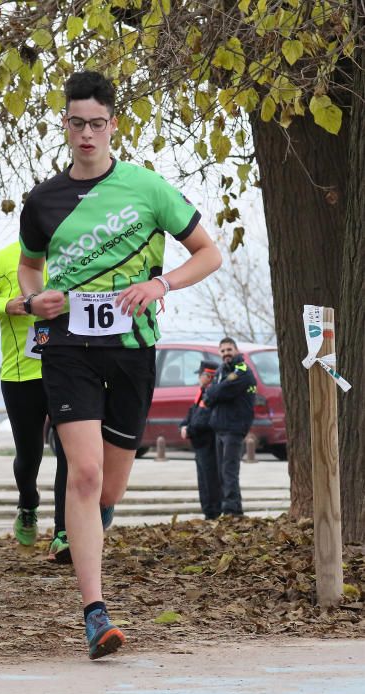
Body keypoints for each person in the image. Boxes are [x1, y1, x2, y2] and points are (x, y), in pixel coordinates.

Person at [17, 70, 222, 660]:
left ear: (113, 125)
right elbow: (32, 267)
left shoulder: (147, 188)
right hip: (67, 347)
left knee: (109, 485)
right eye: (76, 123)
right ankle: (94, 612)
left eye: (97, 124)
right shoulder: (43, 200)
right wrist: (35, 301)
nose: (87, 134)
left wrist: (161, 283)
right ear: (65, 124)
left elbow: (207, 254)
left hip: (132, 349)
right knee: (81, 474)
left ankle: (85, 528)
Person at [0, 241, 72, 563]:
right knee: (29, 455)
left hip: (70, 371)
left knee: (70, 452)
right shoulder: (4, 259)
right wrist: (8, 305)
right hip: (21, 375)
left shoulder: (80, 250)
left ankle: (64, 532)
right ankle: (28, 503)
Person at [204, 337, 257, 516]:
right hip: (220, 427)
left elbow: (219, 391)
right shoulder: (220, 370)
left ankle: (231, 512)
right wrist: (215, 392)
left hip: (234, 428)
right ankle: (234, 510)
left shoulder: (242, 370)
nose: (226, 353)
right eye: (223, 350)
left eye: (229, 349)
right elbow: (209, 395)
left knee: (229, 472)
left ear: (236, 350)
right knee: (222, 473)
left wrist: (215, 392)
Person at [180, 360, 221, 520]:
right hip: (199, 444)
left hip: (207, 443)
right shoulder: (202, 392)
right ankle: (207, 511)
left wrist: (189, 429)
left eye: (201, 374)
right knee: (203, 480)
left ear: (209, 376)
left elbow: (203, 420)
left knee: (210, 480)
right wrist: (183, 425)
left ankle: (212, 513)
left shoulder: (211, 394)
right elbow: (192, 413)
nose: (198, 377)